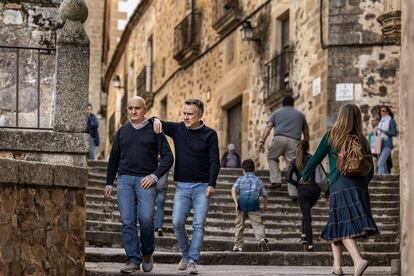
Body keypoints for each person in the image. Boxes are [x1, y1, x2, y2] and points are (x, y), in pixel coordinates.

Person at [301, 104, 378, 276]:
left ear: (341, 116)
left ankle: (358, 260)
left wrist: (305, 175)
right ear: (357, 118)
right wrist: (362, 185)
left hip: (340, 185)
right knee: (335, 223)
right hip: (358, 187)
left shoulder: (332, 136)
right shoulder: (363, 140)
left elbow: (315, 159)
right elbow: (370, 169)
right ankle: (337, 267)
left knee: (342, 223)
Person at [104, 96, 173, 274]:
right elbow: (113, 159)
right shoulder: (122, 131)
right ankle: (133, 259)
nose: (133, 112)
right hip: (125, 180)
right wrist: (109, 183)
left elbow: (168, 157)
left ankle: (147, 253)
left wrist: (155, 176)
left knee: (146, 220)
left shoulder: (155, 130)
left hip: (145, 180)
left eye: (137, 108)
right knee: (127, 221)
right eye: (130, 108)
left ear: (145, 110)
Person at [153, 99, 220, 275]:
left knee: (199, 224)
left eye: (190, 114)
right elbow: (153, 120)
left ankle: (192, 260)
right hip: (182, 186)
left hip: (202, 186)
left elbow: (214, 160)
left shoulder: (210, 134)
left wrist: (212, 183)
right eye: (184, 113)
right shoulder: (178, 129)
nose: (186, 117)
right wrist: (157, 121)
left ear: (200, 115)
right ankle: (185, 253)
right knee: (176, 222)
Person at [259, 96, 309, 199]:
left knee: (272, 157)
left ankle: (276, 181)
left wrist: (262, 141)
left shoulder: (276, 113)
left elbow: (268, 127)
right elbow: (306, 132)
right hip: (294, 142)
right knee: (292, 166)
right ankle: (293, 193)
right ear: (293, 104)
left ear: (283, 104)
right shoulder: (301, 115)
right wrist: (305, 143)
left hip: (279, 139)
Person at [286, 141, 324, 252]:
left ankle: (310, 244)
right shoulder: (312, 158)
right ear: (308, 148)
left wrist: (297, 184)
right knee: (306, 212)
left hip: (302, 190)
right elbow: (321, 175)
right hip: (314, 190)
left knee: (306, 215)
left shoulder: (294, 161)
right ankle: (303, 234)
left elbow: (288, 178)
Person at [231, 159, 268, 252]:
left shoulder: (240, 179)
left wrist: (236, 202)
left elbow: (233, 190)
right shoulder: (258, 180)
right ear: (254, 169)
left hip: (241, 204)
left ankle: (238, 245)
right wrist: (265, 205)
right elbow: (265, 194)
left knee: (239, 225)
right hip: (254, 204)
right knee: (257, 223)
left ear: (243, 170)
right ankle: (261, 239)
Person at [376, 105, 397, 175]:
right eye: (380, 111)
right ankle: (386, 179)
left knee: (380, 163)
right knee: (384, 165)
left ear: (387, 112)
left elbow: (394, 133)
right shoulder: (381, 122)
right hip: (380, 145)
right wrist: (377, 132)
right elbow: (379, 133)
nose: (381, 112)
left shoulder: (391, 121)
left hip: (387, 145)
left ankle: (379, 180)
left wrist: (384, 131)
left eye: (383, 110)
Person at [155, 171, 169, 237]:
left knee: (149, 206)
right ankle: (159, 226)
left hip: (152, 184)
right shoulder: (166, 161)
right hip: (163, 185)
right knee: (160, 207)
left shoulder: (151, 161)